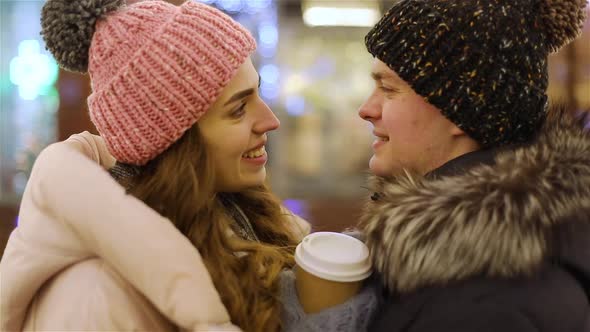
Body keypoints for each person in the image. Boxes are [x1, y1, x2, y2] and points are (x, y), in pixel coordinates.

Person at [0, 1, 309, 331]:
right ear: (175, 144)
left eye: (258, 93)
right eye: (238, 109)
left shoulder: (239, 217)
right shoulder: (95, 300)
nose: (270, 121)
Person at [356, 0, 590, 331]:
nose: (366, 109)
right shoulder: (472, 263)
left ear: (460, 110)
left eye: (388, 89)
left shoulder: (484, 302)